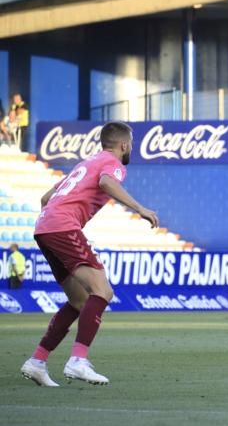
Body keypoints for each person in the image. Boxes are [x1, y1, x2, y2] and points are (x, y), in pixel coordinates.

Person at [19, 122, 158, 387]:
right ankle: (78, 361)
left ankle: (37, 361)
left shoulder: (86, 163)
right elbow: (107, 182)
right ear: (124, 145)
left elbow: (46, 199)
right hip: (62, 227)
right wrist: (140, 208)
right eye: (131, 144)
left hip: (45, 228)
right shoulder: (113, 164)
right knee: (102, 291)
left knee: (79, 300)